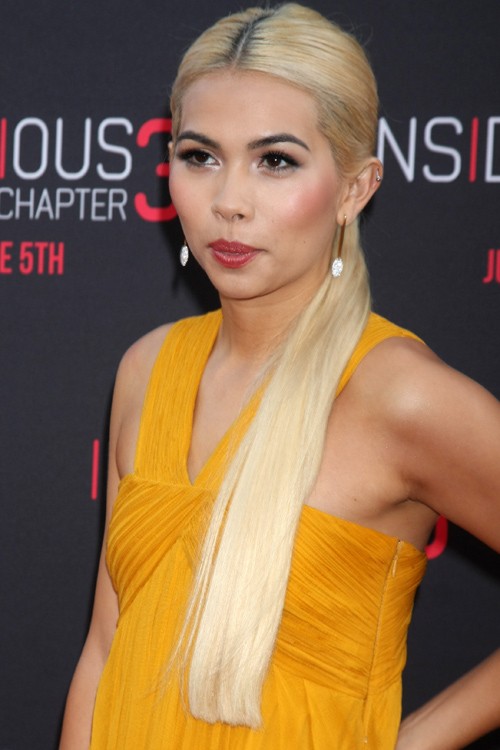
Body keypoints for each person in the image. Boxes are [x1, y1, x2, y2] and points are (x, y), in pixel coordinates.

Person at [60, 4, 500, 748]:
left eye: (276, 162)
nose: (229, 202)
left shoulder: (400, 395)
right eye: (200, 156)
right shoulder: (147, 368)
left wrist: (417, 739)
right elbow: (107, 647)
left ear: (354, 189)